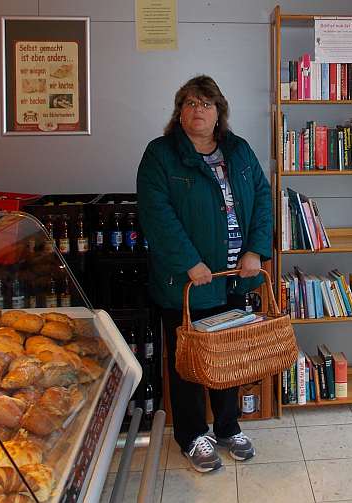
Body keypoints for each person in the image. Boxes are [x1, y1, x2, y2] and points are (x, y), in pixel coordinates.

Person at [136, 75, 273, 472]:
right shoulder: (161, 155)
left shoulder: (240, 151)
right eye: (191, 103)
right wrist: (189, 262)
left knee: (229, 356)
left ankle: (229, 428)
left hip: (234, 277)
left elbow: (262, 199)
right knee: (190, 363)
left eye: (207, 104)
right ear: (180, 112)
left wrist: (256, 250)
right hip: (188, 282)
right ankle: (194, 435)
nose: (199, 110)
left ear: (219, 113)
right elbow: (156, 214)